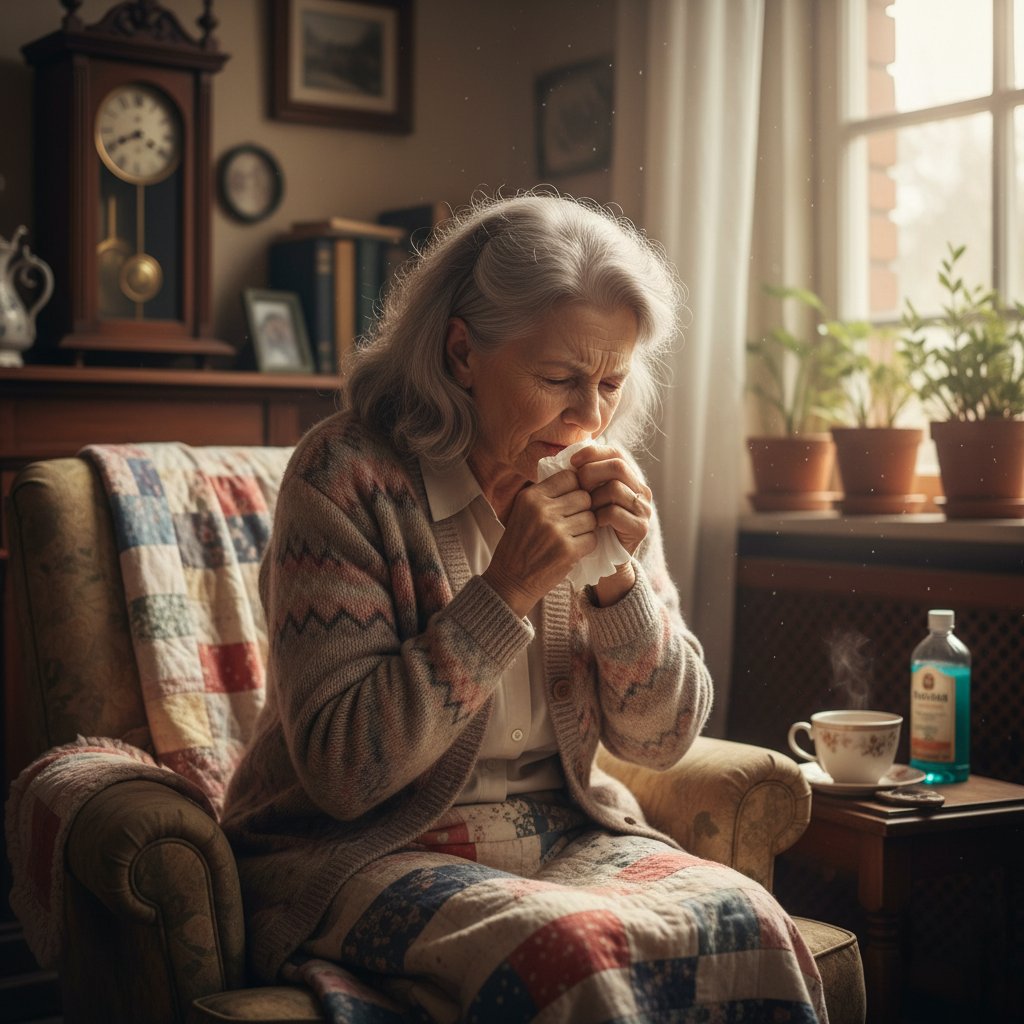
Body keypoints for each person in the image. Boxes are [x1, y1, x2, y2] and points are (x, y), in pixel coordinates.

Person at [222, 192, 826, 1023]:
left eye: (611, 382)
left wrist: (618, 586)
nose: (589, 417)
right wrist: (506, 592)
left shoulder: (596, 479)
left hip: (562, 832)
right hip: (365, 849)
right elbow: (344, 770)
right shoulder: (347, 478)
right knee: (569, 955)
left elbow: (659, 738)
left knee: (751, 925)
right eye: (558, 380)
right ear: (462, 351)